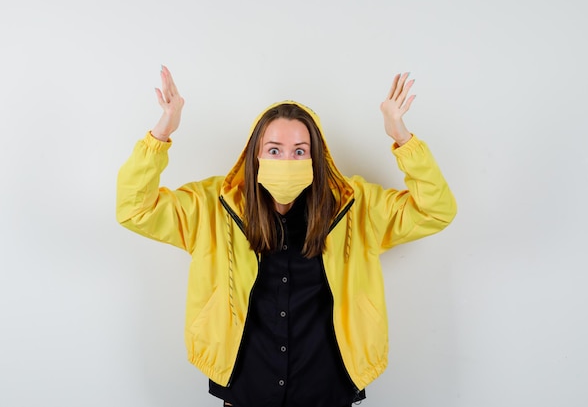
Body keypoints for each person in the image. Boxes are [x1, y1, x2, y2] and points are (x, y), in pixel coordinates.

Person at [116, 66, 457, 407]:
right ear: (256, 154)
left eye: (299, 151)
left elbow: (435, 210)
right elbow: (134, 209)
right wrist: (160, 135)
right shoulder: (211, 207)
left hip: (328, 386)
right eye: (274, 150)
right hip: (245, 386)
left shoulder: (357, 207)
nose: (287, 160)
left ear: (316, 156)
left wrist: (403, 138)